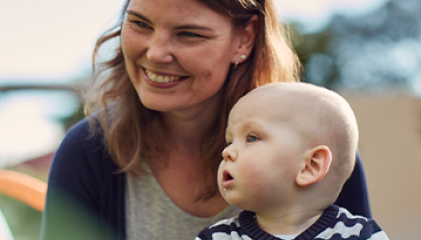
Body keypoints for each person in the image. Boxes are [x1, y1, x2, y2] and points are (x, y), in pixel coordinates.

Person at [40, 0, 371, 239]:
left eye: (188, 34)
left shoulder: (318, 146)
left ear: (245, 38)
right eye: (140, 23)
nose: (156, 53)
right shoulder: (88, 150)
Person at [196, 82, 388, 240]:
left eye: (252, 138)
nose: (227, 152)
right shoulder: (217, 237)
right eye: (229, 141)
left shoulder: (361, 235)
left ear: (310, 166)